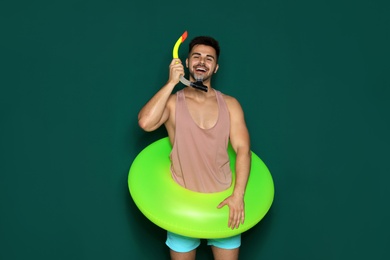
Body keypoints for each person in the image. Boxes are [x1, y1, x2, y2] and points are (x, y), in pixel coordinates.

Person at [138, 35, 251, 260]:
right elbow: (145, 123)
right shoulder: (171, 102)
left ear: (216, 67)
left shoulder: (230, 104)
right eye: (196, 56)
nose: (202, 61)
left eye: (209, 58)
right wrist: (171, 82)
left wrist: (238, 196)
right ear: (187, 62)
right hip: (183, 204)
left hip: (223, 204)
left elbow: (243, 150)